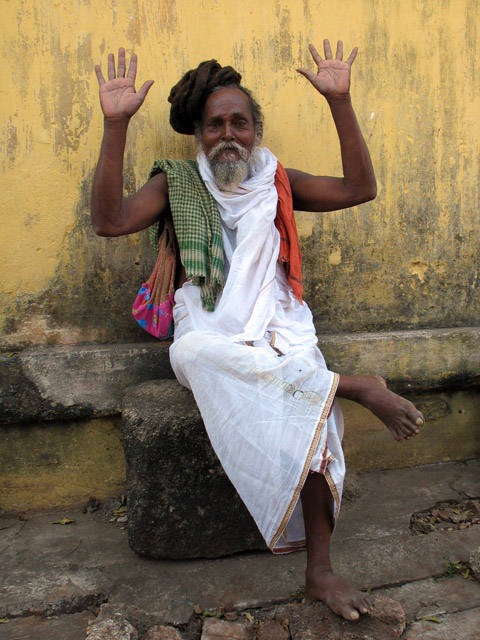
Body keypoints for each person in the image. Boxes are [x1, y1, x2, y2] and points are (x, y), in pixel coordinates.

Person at [91, 40, 425, 622]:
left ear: (256, 131)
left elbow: (359, 189)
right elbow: (108, 220)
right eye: (215, 124)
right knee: (193, 353)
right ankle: (352, 386)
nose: (228, 134)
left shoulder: (278, 181)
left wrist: (340, 102)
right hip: (211, 331)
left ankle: (320, 571)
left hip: (278, 326)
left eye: (239, 123)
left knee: (307, 403)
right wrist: (115, 124)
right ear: (200, 135)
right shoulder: (177, 183)